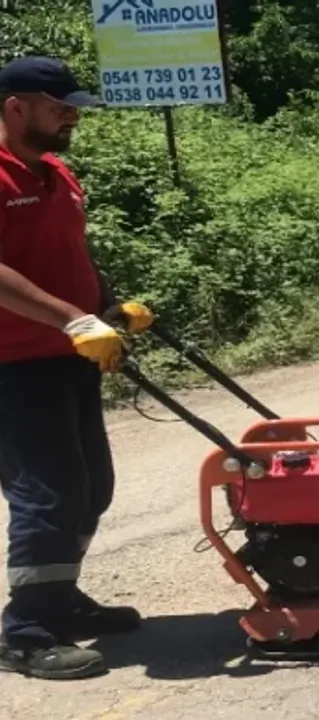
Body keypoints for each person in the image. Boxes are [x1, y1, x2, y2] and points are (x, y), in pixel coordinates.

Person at [0, 55, 155, 679]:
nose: (72, 118)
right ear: (16, 107)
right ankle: (25, 633)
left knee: (92, 486)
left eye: (74, 108)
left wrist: (106, 306)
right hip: (12, 365)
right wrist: (72, 319)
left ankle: (57, 598)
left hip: (69, 355)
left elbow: (67, 252)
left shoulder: (57, 172)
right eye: (59, 108)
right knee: (49, 494)